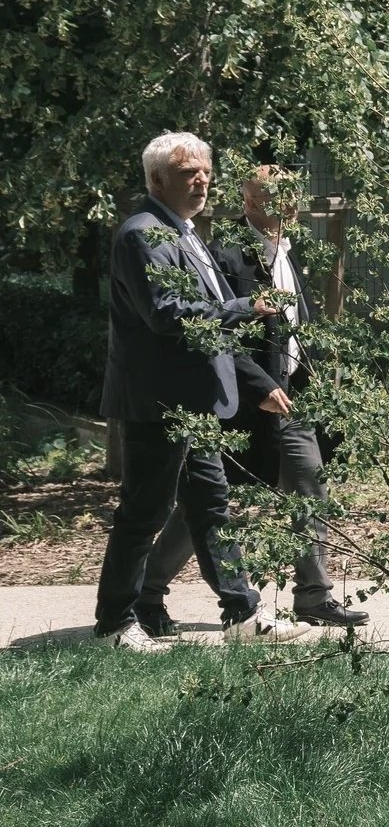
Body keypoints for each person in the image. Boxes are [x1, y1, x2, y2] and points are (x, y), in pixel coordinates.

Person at [92, 134, 306, 650]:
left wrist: (254, 384)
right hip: (161, 406)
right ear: (157, 179)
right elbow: (167, 314)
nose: (201, 181)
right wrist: (245, 307)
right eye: (188, 173)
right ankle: (114, 625)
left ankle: (243, 616)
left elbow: (211, 332)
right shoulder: (144, 234)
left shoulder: (183, 233)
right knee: (144, 513)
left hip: (195, 404)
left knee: (212, 507)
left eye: (206, 171)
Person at [137, 165, 364, 632]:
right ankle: (146, 592)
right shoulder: (226, 254)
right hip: (240, 403)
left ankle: (313, 596)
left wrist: (316, 379)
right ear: (248, 201)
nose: (285, 205)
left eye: (289, 196)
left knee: (310, 487)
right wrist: (259, 387)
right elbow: (218, 330)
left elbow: (295, 327)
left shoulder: (287, 251)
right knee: (206, 503)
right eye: (270, 197)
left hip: (292, 399)